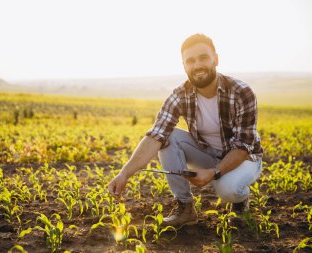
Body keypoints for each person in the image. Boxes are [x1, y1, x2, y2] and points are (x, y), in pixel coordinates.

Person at [108, 33, 263, 229]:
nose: (197, 65)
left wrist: (214, 172)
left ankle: (240, 202)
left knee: (229, 190)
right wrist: (124, 174)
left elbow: (242, 147)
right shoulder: (180, 95)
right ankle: (185, 207)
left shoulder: (241, 92)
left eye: (203, 58)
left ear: (216, 59)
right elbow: (155, 135)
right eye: (190, 61)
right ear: (184, 66)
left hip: (244, 158)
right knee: (167, 137)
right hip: (207, 153)